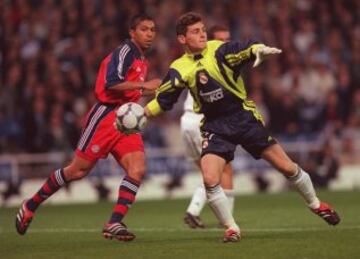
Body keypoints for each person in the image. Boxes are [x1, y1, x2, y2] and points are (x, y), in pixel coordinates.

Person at [144, 12, 340, 242]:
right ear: (182, 39)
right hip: (215, 126)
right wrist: (143, 115)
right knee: (209, 178)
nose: (202, 34)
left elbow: (243, 48)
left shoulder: (218, 49)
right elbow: (164, 99)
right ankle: (231, 228)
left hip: (242, 118)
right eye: (195, 31)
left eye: (203, 29)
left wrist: (258, 49)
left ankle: (316, 204)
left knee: (287, 168)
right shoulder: (179, 67)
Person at [15, 14, 161, 242]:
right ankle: (30, 205)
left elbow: (132, 90)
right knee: (78, 171)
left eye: (153, 30)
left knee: (137, 169)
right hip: (105, 117)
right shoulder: (125, 52)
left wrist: (157, 89)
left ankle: (114, 222)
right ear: (132, 32)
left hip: (126, 121)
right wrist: (145, 84)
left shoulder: (142, 59)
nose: (150, 34)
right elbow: (111, 83)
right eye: (144, 29)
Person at [181, 24, 234, 228]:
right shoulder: (217, 61)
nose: (225, 43)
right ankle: (227, 220)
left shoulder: (198, 59)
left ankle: (194, 210)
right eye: (220, 39)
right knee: (224, 169)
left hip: (187, 121)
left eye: (227, 39)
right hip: (201, 120)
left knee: (209, 172)